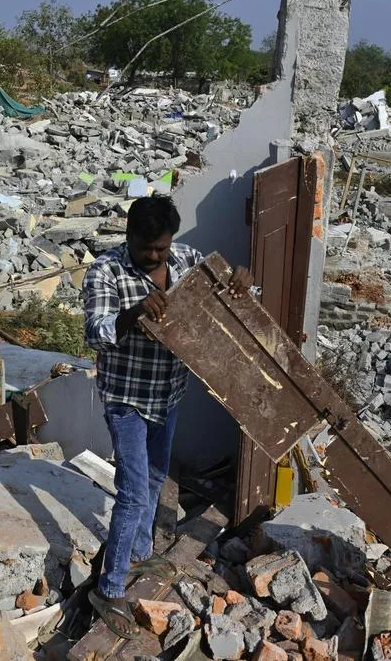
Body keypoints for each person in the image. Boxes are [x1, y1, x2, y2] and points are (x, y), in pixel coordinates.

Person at [82, 196, 251, 639]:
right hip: (127, 399)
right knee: (134, 492)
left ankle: (137, 552)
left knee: (156, 479)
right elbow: (95, 334)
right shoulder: (107, 271)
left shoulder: (186, 261)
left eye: (161, 247)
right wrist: (134, 312)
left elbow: (226, 297)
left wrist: (242, 283)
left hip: (169, 394)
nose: (155, 256)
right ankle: (110, 586)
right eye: (146, 248)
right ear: (129, 236)